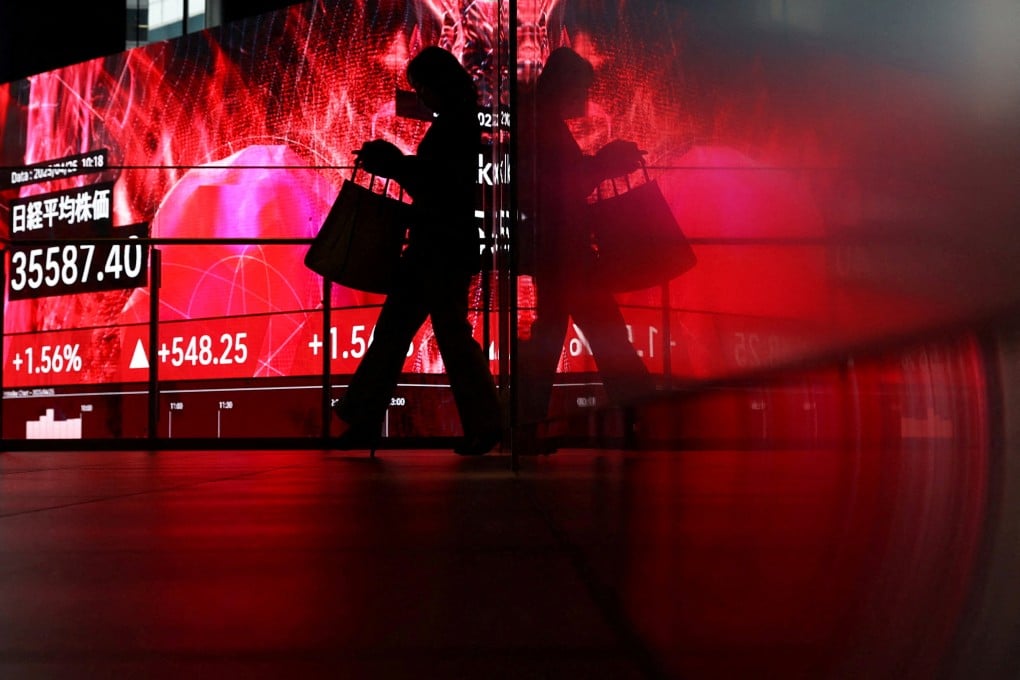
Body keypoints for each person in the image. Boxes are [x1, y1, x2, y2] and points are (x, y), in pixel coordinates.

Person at [332, 46, 501, 456]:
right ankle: (484, 423)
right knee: (434, 335)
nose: (421, 95)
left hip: (435, 249)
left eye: (422, 86)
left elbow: (438, 186)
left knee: (403, 334)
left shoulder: (452, 128)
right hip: (444, 247)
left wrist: (394, 164)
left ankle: (364, 419)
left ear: (437, 84)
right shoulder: (461, 124)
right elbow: (443, 184)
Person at [517, 47, 655, 453]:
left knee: (555, 338)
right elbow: (564, 188)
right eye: (581, 87)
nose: (584, 96)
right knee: (607, 334)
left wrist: (598, 164)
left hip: (557, 252)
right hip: (567, 253)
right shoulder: (546, 125)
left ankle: (527, 425)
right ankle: (641, 414)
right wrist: (605, 164)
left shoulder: (538, 122)